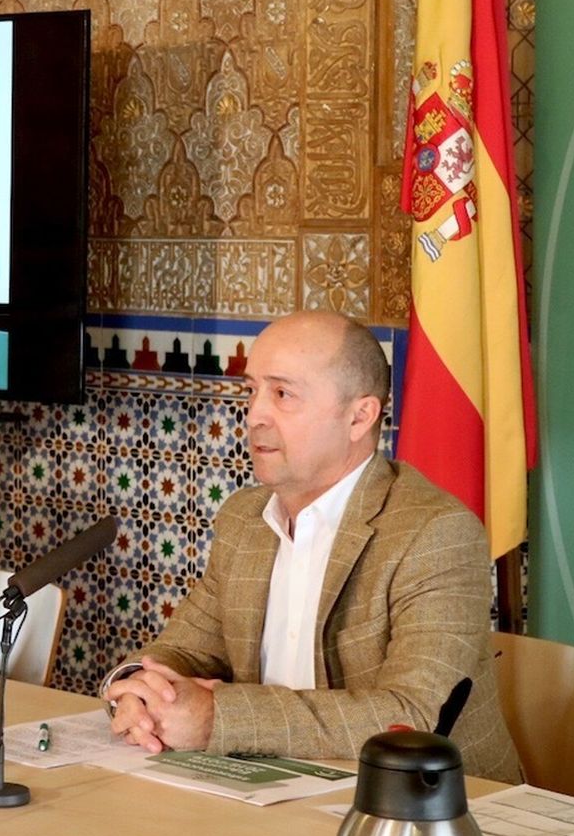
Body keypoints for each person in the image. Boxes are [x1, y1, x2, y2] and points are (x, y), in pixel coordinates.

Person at [102, 310, 521, 782]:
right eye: (252, 391)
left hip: (427, 806)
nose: (255, 414)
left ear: (359, 416)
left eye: (282, 394)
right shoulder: (245, 519)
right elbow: (177, 653)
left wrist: (217, 718)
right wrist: (136, 689)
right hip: (277, 795)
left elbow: (411, 716)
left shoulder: (434, 533)